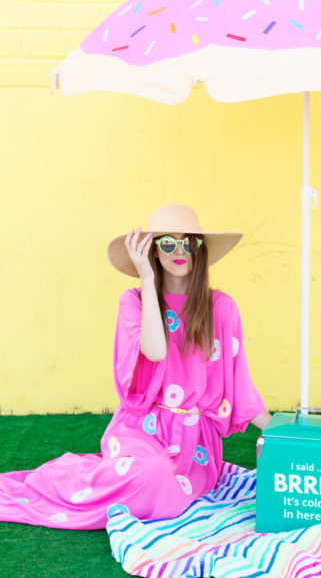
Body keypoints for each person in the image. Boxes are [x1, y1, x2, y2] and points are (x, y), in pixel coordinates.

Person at [0, 203, 271, 529]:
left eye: (188, 242)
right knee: (151, 473)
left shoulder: (222, 308)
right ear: (153, 250)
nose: (179, 251)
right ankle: (63, 484)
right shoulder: (133, 301)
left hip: (194, 445)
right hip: (141, 429)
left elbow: (241, 390)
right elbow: (154, 352)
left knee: (165, 490)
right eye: (167, 243)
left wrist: (290, 435)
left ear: (199, 249)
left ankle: (129, 482)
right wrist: (146, 276)